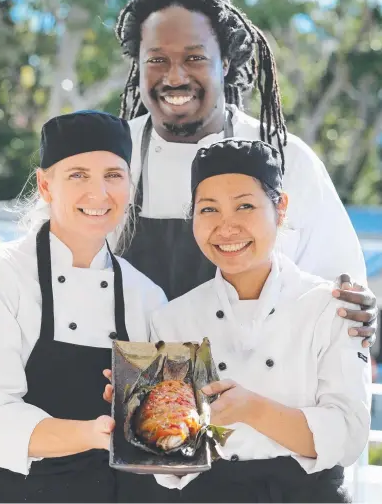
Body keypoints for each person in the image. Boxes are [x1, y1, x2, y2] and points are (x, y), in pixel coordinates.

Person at [0, 0, 377, 341]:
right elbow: (42, 263)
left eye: (194, 58)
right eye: (157, 60)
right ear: (138, 64)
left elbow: (337, 296)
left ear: (224, 63)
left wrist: (353, 308)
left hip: (245, 405)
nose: (175, 76)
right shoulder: (109, 155)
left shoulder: (285, 159)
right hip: (116, 398)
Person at [0, 111, 173, 503]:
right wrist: (95, 433)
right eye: (78, 175)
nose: (99, 194)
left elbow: (157, 425)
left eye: (113, 175)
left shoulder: (146, 295)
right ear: (45, 186)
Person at [147, 139, 371, 503]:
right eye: (208, 210)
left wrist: (253, 409)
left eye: (245, 206)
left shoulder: (331, 308)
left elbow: (348, 435)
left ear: (280, 209)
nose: (226, 227)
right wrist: (141, 415)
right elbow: (171, 463)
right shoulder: (173, 319)